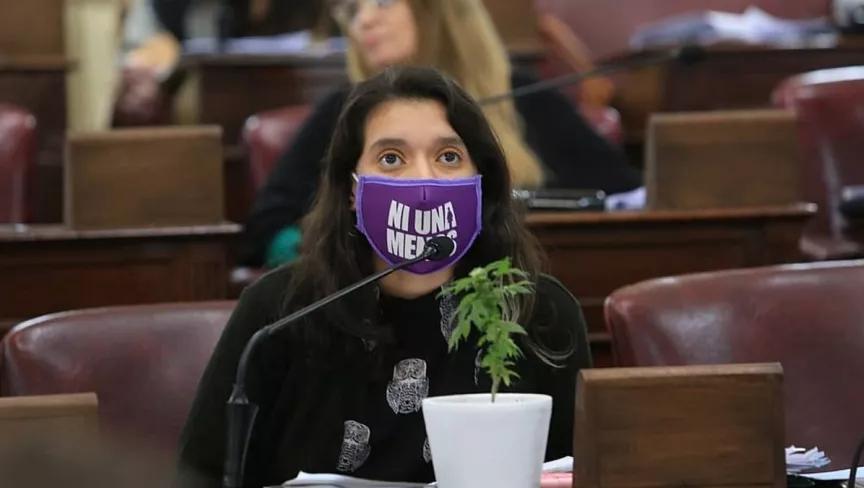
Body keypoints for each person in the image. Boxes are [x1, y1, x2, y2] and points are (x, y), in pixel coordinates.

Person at [175, 66, 591, 487]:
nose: (423, 181)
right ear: (353, 190)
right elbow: (199, 475)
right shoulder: (279, 314)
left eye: (448, 157)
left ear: (480, 183)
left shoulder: (537, 312)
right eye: (391, 159)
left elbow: (581, 471)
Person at [239, 0, 640, 267]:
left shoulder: (525, 99)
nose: (364, 20)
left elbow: (625, 197)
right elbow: (267, 228)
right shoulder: (342, 114)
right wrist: (345, 256)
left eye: (381, 1)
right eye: (352, 8)